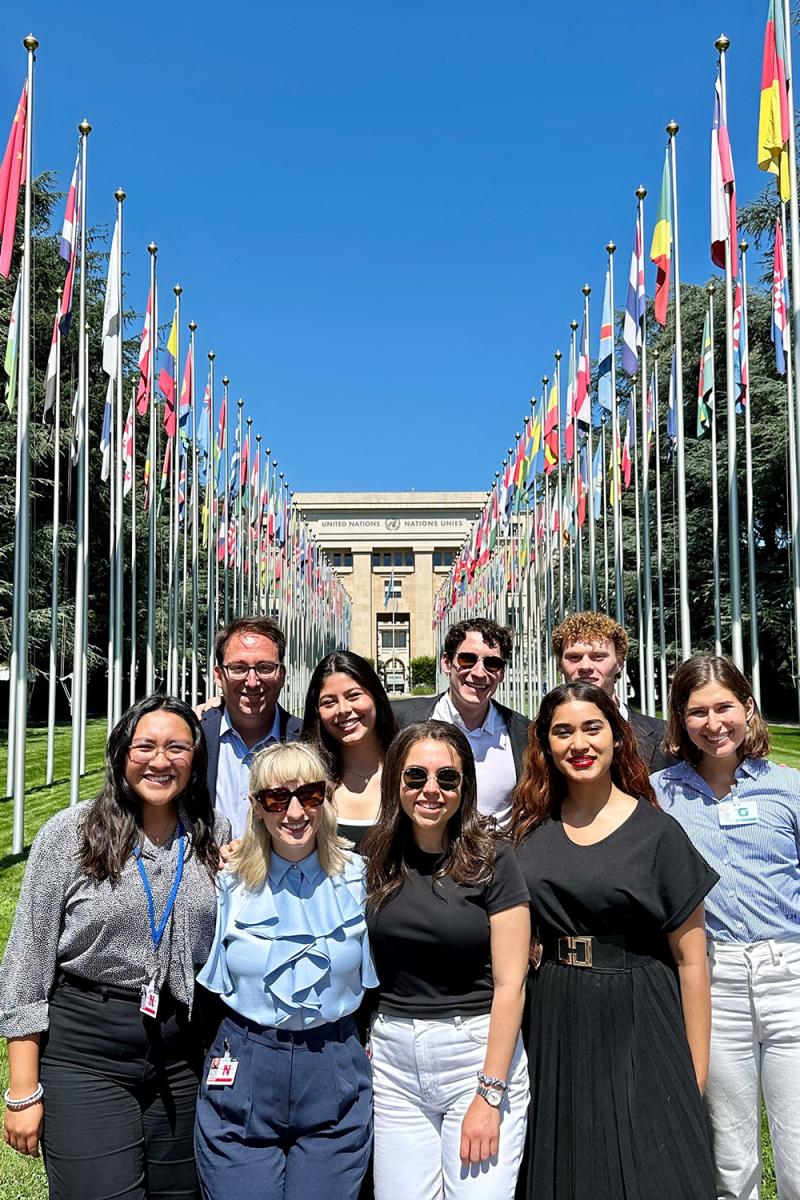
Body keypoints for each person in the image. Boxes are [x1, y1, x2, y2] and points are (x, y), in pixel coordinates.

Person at [0, 695, 228, 1200]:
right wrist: (21, 1091)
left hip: (183, 1053)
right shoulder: (70, 834)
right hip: (87, 1049)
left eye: (177, 747)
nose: (160, 760)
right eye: (145, 745)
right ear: (122, 753)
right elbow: (27, 962)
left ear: (196, 759)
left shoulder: (217, 839)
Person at [510, 681, 717, 1200]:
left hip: (640, 1012)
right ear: (545, 745)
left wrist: (692, 1073)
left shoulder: (658, 833)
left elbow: (692, 960)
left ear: (618, 738)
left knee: (648, 1166)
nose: (578, 744)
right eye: (562, 732)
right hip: (555, 1012)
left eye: (591, 728)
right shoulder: (530, 831)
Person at [194, 741, 376, 1200]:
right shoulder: (225, 881)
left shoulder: (362, 877)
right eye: (276, 798)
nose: (294, 811)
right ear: (257, 807)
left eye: (309, 795)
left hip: (334, 1064)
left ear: (326, 799)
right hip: (244, 1062)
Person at [653, 655, 800, 1200]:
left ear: (748, 709)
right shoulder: (659, 795)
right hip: (713, 981)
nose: (713, 724)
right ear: (679, 720)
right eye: (697, 712)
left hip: (789, 974)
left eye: (724, 708)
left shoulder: (790, 788)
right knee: (731, 1156)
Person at [364, 721, 530, 1199]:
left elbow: (511, 985)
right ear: (396, 781)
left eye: (448, 779)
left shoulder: (495, 860)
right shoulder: (374, 858)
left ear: (465, 787)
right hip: (394, 1062)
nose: (430, 790)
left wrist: (490, 1093)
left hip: (475, 1055)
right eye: (415, 777)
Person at [392, 618, 529, 826]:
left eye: (492, 664)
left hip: (496, 855)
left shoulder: (524, 733)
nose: (479, 673)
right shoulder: (401, 720)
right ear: (447, 663)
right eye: (468, 660)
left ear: (501, 673)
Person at [203, 616, 302, 838]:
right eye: (238, 668)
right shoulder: (194, 738)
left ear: (282, 675)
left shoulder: (307, 741)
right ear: (219, 676)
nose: (252, 682)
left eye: (265, 668)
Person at [552, 611, 675, 772]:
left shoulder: (663, 736)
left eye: (598, 657)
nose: (585, 667)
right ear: (560, 665)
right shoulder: (536, 736)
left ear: (620, 663)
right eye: (574, 657)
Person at [301, 650, 398, 850]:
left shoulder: (410, 774)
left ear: (376, 697)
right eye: (329, 702)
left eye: (353, 696)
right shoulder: (306, 781)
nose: (343, 709)